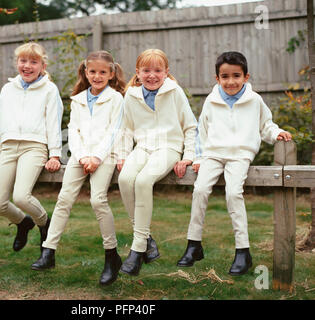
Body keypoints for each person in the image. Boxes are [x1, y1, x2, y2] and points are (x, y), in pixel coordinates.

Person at [177, 51, 292, 276]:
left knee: (233, 194)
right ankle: (193, 244)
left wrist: (277, 133)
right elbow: (202, 131)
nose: (231, 81)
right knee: (199, 190)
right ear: (217, 78)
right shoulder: (212, 100)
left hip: (240, 156)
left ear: (246, 77)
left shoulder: (254, 100)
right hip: (213, 155)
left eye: (236, 76)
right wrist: (199, 158)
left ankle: (242, 251)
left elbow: (266, 126)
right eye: (225, 76)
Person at [31, 51, 126, 286]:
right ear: (85, 72)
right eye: (92, 71)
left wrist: (96, 157)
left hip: (105, 156)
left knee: (97, 200)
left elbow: (115, 132)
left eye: (103, 72)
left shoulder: (116, 99)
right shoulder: (78, 99)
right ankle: (48, 251)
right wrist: (83, 157)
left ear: (111, 74)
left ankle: (111, 256)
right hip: (81, 156)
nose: (97, 76)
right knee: (64, 199)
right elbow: (73, 131)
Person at [117, 49, 197, 276]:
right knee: (125, 179)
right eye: (146, 70)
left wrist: (188, 156)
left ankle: (137, 248)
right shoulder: (131, 95)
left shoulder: (175, 92)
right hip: (142, 147)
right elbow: (125, 129)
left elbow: (190, 126)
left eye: (157, 70)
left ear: (166, 72)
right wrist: (123, 155)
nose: (152, 75)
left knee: (143, 181)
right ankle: (146, 238)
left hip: (168, 147)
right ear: (138, 73)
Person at [0, 42, 63, 254]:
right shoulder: (7, 89)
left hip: (34, 147)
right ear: (17, 63)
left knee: (21, 196)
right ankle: (23, 222)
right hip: (9, 148)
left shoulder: (49, 89)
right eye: (23, 61)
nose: (27, 66)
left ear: (43, 65)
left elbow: (53, 123)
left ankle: (44, 222)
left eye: (33, 61)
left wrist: (55, 154)